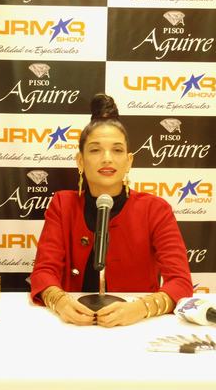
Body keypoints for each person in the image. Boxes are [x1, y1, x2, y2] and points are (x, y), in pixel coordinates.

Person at [30, 94, 192, 327]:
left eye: (117, 150)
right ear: (80, 161)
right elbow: (43, 272)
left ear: (129, 161)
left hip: (135, 327)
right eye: (95, 150)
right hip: (74, 327)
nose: (107, 159)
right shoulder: (62, 205)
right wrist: (60, 302)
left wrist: (140, 309)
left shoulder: (155, 209)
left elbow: (181, 283)